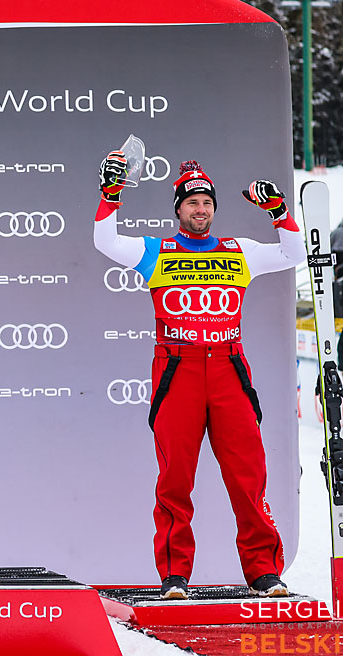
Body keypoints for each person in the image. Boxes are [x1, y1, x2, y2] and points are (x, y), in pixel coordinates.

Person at [93, 154, 304, 599]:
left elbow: (293, 254)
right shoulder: (156, 251)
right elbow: (105, 241)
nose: (201, 209)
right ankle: (174, 577)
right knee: (175, 478)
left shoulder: (238, 250)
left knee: (249, 476)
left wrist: (279, 213)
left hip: (229, 368)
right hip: (178, 369)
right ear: (178, 209)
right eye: (192, 202)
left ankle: (264, 572)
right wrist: (110, 195)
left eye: (207, 201)